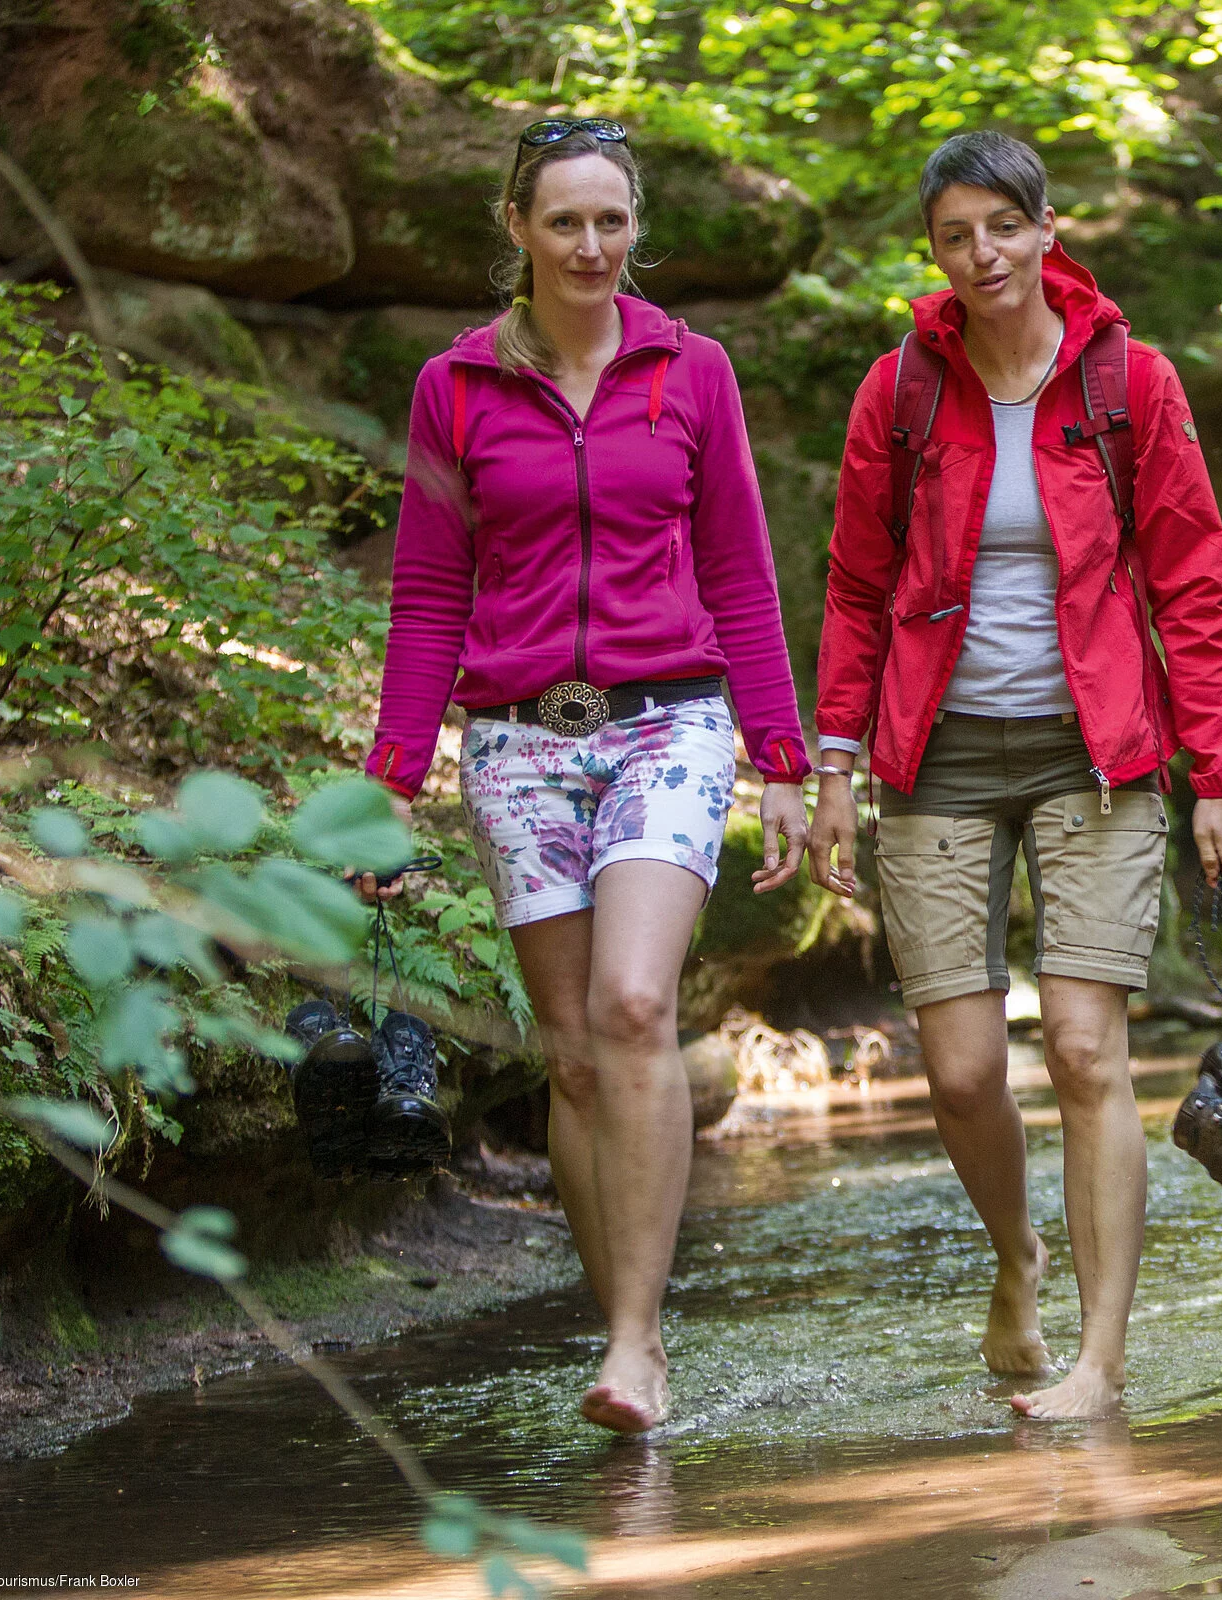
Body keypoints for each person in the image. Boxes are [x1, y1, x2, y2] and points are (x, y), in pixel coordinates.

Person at [359, 117, 811, 1435]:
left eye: (613, 220)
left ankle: (634, 1342)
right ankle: (622, 1326)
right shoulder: (455, 386)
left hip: (670, 723)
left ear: (636, 227)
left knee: (630, 1007)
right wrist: (387, 782)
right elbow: (430, 591)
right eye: (567, 221)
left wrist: (779, 758)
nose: (593, 245)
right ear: (518, 229)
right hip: (514, 741)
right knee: (568, 1059)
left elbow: (737, 566)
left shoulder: (693, 370)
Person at [808, 130, 1222, 1419]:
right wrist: (835, 763)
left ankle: (1099, 1365)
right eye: (956, 235)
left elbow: (1191, 580)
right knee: (956, 1070)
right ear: (936, 254)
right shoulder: (901, 391)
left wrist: (1214, 773)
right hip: (933, 749)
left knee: (1081, 1047)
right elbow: (853, 588)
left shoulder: (1129, 383)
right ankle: (1018, 1258)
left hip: (1096, 750)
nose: (982, 253)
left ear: (1047, 231)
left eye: (1003, 226)